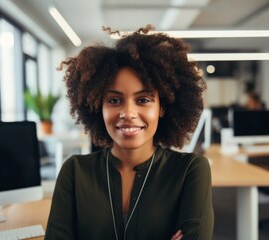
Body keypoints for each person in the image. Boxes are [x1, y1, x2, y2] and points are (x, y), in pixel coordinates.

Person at [45, 25, 214, 240]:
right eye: (114, 100)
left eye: (143, 100)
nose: (128, 113)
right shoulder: (75, 172)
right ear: (99, 107)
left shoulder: (190, 170)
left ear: (162, 107)